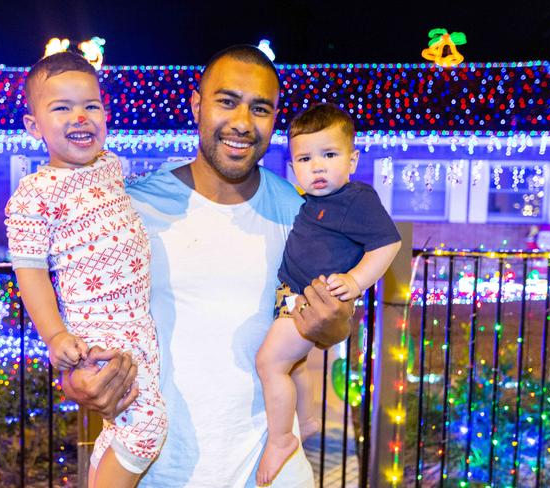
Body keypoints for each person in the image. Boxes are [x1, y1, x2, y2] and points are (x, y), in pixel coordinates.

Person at [62, 45, 353, 487]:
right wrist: (77, 381)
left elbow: (332, 325)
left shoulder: (298, 213)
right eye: (227, 101)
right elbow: (82, 332)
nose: (241, 123)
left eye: (260, 108)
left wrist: (334, 323)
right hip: (159, 471)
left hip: (271, 471)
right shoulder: (132, 207)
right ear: (198, 105)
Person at [5, 51, 166, 488]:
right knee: (147, 429)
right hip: (99, 331)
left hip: (138, 324)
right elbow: (31, 271)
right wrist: (55, 335)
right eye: (62, 108)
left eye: (91, 105)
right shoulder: (34, 194)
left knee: (124, 425)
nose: (80, 116)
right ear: (33, 127)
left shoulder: (111, 166)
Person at [255, 103, 402, 485]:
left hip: (305, 301)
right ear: (293, 166)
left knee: (270, 364)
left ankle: (282, 439)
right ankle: (304, 419)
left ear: (352, 159)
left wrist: (355, 281)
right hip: (290, 293)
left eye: (329, 155)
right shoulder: (313, 200)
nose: (317, 167)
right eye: (305, 158)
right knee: (295, 366)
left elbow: (388, 244)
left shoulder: (357, 199)